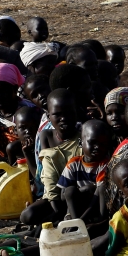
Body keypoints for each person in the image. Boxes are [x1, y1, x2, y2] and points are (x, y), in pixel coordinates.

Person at [22, 89, 81, 226]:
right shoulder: (46, 135)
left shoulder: (83, 136)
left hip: (76, 194)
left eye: (68, 113)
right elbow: (46, 173)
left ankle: (59, 219)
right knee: (27, 215)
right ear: (48, 116)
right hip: (54, 195)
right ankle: (57, 216)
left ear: (76, 112)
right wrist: (54, 203)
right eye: (57, 114)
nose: (63, 118)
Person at [58, 119, 111, 223]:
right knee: (69, 190)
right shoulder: (74, 163)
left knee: (101, 188)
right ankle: (74, 222)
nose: (97, 147)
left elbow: (99, 195)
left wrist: (82, 219)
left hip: (96, 208)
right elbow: (63, 196)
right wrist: (85, 189)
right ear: (81, 143)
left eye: (103, 143)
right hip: (78, 209)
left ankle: (101, 221)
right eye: (92, 142)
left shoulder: (106, 164)